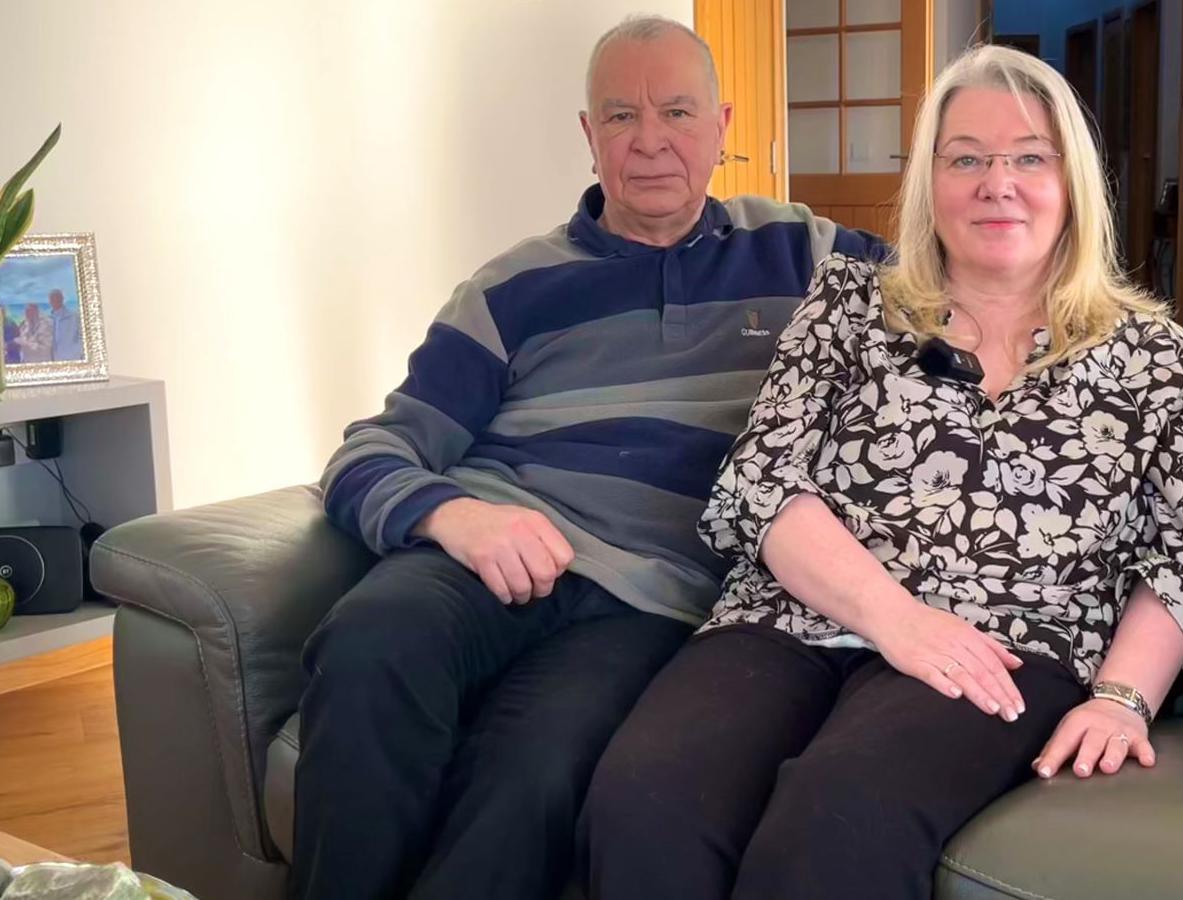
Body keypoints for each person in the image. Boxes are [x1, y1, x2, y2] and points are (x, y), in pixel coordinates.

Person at [580, 44, 1183, 900]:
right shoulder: (849, 302)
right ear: (931, 181)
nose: (998, 182)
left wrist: (1119, 700)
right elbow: (763, 484)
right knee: (644, 800)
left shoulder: (1155, 358)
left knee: (838, 822)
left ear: (1072, 181)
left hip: (1002, 646)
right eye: (966, 158)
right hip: (791, 617)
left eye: (1030, 156)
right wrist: (899, 621)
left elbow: (1178, 562)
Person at [294, 14, 884, 900]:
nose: (649, 142)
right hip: (486, 556)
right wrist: (457, 516)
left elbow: (963, 289)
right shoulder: (511, 286)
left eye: (678, 113)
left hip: (646, 599)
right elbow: (371, 452)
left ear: (723, 125)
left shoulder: (806, 253)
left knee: (537, 774)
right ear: (588, 134)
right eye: (620, 116)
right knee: (369, 643)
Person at [48, 289, 83, 361]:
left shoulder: (73, 316)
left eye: (58, 298)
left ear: (62, 299)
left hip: (71, 358)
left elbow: (82, 336)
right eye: (53, 299)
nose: (55, 301)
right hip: (54, 359)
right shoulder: (48, 318)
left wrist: (76, 352)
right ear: (50, 301)